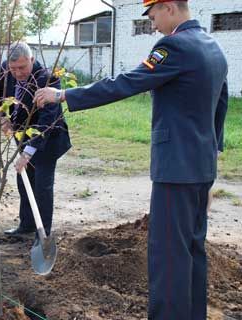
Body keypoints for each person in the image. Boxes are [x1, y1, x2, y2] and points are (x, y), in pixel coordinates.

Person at [34, 1, 228, 319]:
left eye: (152, 17)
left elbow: (126, 82)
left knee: (168, 255)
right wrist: (211, 154)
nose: (152, 25)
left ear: (168, 8)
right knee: (193, 249)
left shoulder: (174, 46)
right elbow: (219, 105)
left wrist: (65, 95)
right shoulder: (213, 47)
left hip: (174, 171)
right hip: (201, 167)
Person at [0, 42, 71, 237]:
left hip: (48, 139)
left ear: (32, 60)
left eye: (22, 67)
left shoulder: (48, 79)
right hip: (22, 136)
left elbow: (47, 120)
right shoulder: (5, 71)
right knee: (23, 182)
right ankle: (26, 226)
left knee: (42, 186)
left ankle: (42, 235)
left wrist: (27, 154)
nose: (17, 73)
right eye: (13, 69)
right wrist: (3, 117)